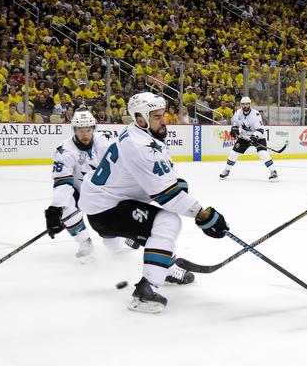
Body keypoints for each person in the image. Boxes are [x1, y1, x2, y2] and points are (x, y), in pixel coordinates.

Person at [79, 92, 230, 314]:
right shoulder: (140, 146)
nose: (164, 120)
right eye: (157, 116)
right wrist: (204, 215)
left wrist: (176, 184)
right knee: (167, 221)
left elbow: (161, 178)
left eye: (163, 115)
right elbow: (167, 196)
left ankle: (165, 267)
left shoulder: (139, 134)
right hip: (107, 209)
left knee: (160, 223)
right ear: (140, 118)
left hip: (112, 201)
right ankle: (146, 291)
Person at [45, 109, 114, 261]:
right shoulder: (64, 150)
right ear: (74, 130)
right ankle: (84, 241)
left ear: (94, 129)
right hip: (80, 190)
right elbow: (63, 181)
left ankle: (125, 234)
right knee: (65, 207)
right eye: (80, 130)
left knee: (113, 244)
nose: (85, 134)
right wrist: (56, 209)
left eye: (88, 130)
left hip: (105, 192)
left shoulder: (105, 141)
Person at [219, 96, 278, 181]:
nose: (245, 106)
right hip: (244, 137)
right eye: (243, 104)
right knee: (233, 153)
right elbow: (235, 124)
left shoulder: (256, 114)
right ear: (241, 105)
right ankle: (227, 170)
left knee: (262, 153)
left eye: (247, 104)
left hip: (258, 137)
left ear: (249, 104)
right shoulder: (238, 112)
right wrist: (234, 129)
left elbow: (260, 129)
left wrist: (255, 136)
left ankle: (273, 172)